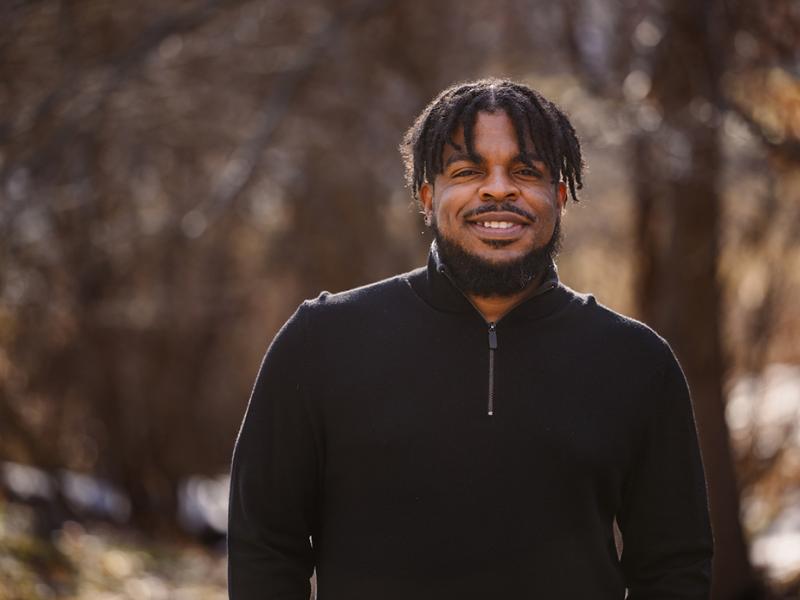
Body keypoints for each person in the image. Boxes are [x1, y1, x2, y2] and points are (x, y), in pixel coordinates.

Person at [227, 78, 714, 600]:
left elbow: (673, 565)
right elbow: (266, 545)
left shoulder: (636, 363)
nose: (498, 189)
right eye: (468, 171)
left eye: (525, 171)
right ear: (427, 195)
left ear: (560, 194)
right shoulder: (320, 342)